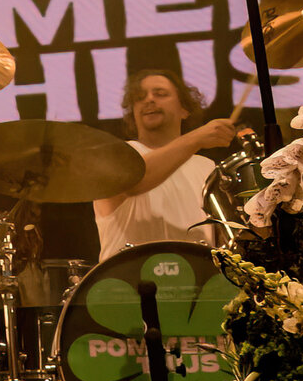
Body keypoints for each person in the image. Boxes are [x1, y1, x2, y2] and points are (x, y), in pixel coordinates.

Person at [93, 68, 236, 261]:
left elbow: (224, 239)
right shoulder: (116, 155)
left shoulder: (207, 167)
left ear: (184, 109)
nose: (149, 100)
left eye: (160, 94)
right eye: (139, 97)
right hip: (128, 277)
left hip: (197, 276)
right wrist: (197, 138)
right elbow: (135, 180)